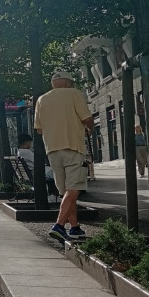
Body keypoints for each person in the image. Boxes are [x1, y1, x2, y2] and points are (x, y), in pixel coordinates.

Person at [34, 69, 94, 242]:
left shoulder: (41, 99)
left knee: (66, 192)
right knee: (74, 189)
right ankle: (59, 225)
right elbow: (87, 118)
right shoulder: (73, 93)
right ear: (68, 83)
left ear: (53, 84)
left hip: (52, 150)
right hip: (73, 147)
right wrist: (89, 129)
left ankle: (74, 227)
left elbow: (39, 129)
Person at [17, 133, 59, 202]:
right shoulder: (26, 152)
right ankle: (54, 196)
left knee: (55, 173)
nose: (31, 144)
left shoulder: (20, 152)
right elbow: (39, 161)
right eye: (30, 142)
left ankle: (53, 196)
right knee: (58, 173)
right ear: (27, 142)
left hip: (33, 173)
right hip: (38, 173)